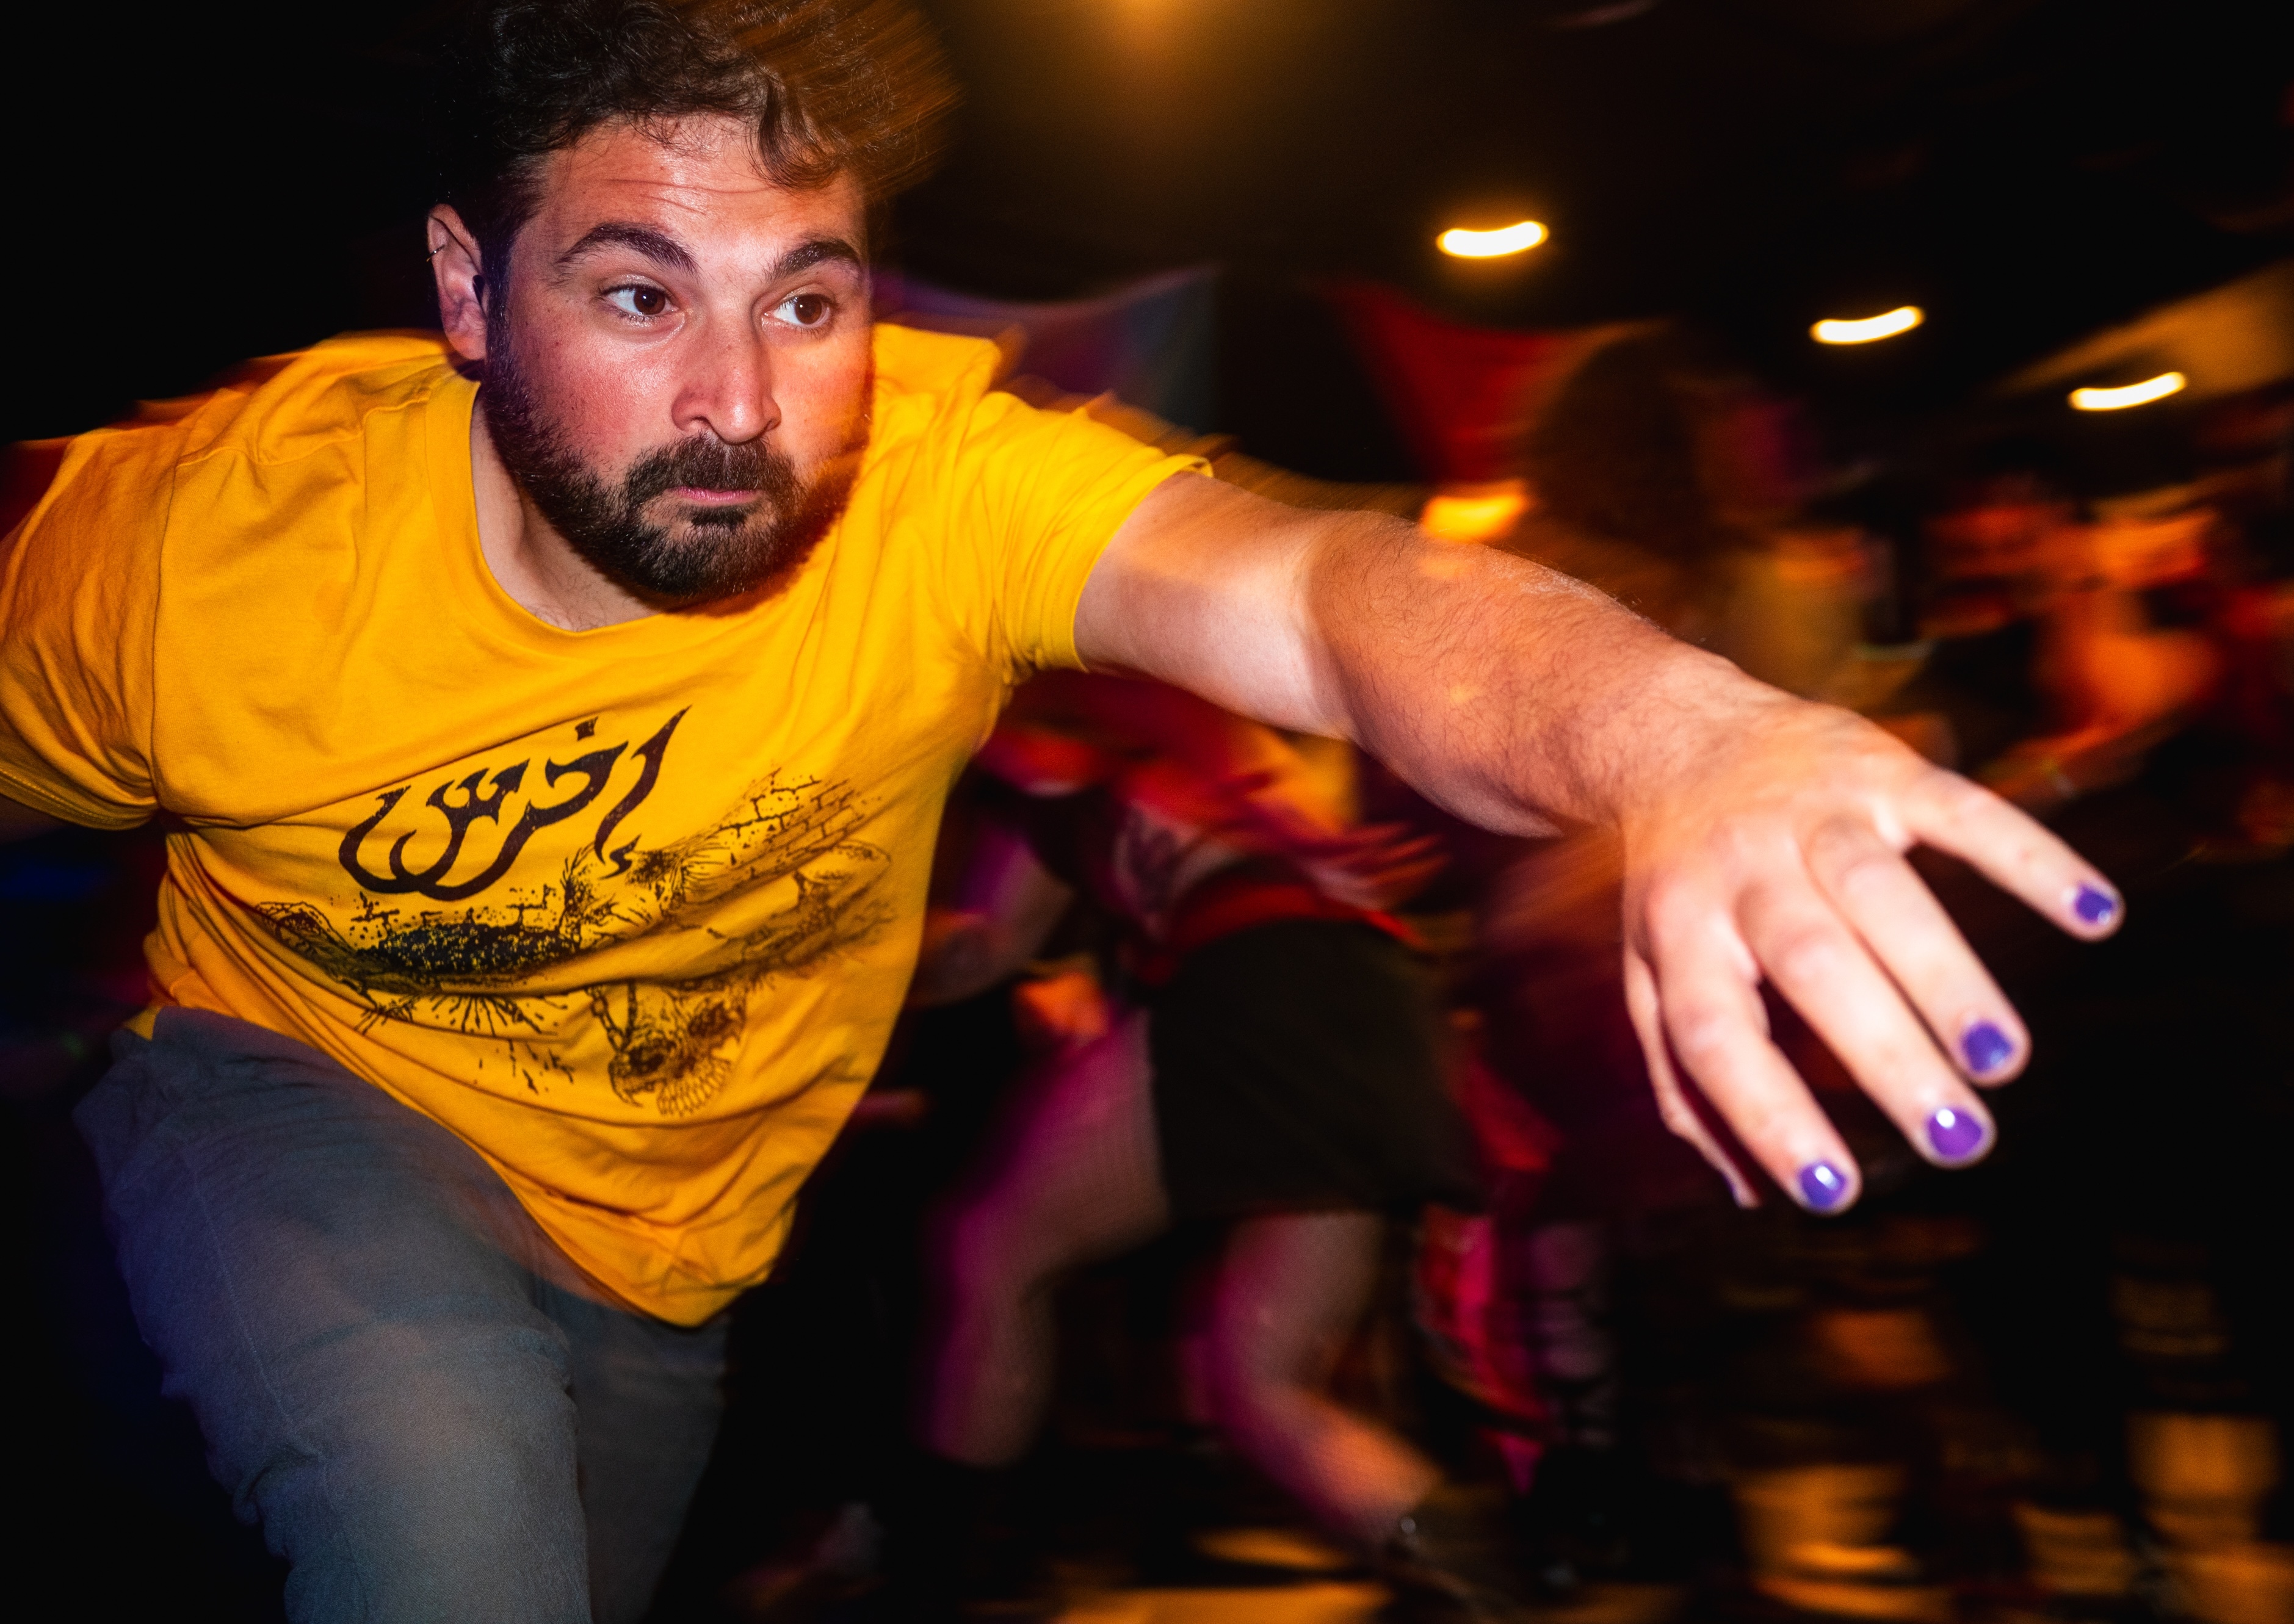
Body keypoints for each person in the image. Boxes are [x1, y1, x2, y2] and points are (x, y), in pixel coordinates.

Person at [0, 1, 2117, 1618]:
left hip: (670, 1259)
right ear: (471, 292)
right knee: (449, 1528)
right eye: (640, 294)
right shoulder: (192, 554)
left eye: (806, 301)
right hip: (311, 1099)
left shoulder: (937, 488)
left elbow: (1332, 593)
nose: (740, 403)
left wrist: (1683, 730)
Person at [906, 671, 1488, 1610]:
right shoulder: (1055, 782)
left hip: (1265, 976)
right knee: (1262, 1382)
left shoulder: (1125, 709)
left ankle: (937, 1584)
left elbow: (1178, 713)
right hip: (1372, 997)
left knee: (991, 1250)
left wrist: (1288, 827)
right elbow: (981, 948)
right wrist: (831, 947)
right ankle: (1485, 1590)